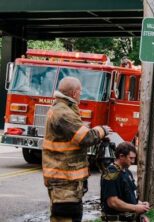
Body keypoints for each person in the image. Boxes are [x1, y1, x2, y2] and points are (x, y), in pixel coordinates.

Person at [42, 76, 110, 222]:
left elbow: (75, 136)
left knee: (71, 216)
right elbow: (85, 138)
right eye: (80, 92)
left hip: (66, 179)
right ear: (73, 93)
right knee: (66, 216)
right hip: (63, 181)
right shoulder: (63, 113)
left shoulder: (63, 109)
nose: (81, 94)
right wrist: (101, 130)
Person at [101, 142, 150, 222]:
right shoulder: (111, 173)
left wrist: (141, 205)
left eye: (134, 158)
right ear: (121, 156)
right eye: (131, 158)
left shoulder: (127, 171)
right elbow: (113, 202)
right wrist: (136, 208)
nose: (133, 161)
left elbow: (129, 196)